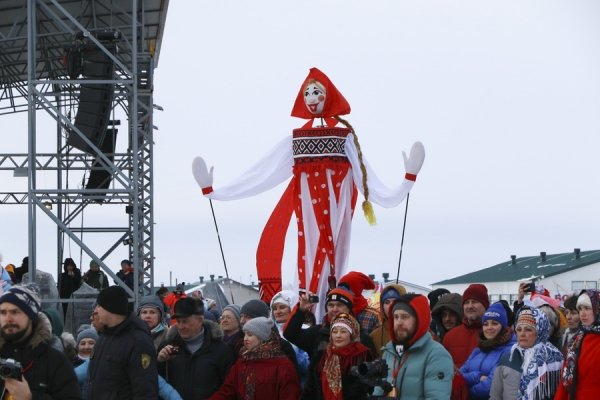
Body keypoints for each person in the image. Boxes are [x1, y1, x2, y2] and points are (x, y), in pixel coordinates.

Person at [192, 68, 425, 317]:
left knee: (333, 253)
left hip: (337, 204)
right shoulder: (297, 139)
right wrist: (216, 191)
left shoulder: (344, 137)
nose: (312, 98)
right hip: (307, 207)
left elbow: (366, 176)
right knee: (308, 254)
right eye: (307, 93)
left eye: (317, 92)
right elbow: (263, 172)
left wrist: (405, 183)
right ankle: (311, 309)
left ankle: (328, 307)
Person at [284, 288, 376, 396]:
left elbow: (371, 376)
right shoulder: (318, 334)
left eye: (339, 305)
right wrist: (301, 311)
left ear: (349, 309)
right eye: (331, 305)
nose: (334, 309)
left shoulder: (363, 339)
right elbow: (290, 334)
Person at [0, 285, 81, 399]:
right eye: (3, 312)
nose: (8, 318)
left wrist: (31, 397)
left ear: (31, 316)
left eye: (15, 312)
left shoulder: (55, 361)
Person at [375, 293, 454, 398]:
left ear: (419, 320)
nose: (399, 322)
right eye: (396, 317)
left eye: (405, 317)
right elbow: (378, 391)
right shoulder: (389, 351)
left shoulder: (436, 355)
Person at [87, 285, 158, 399]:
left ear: (110, 308)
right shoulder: (104, 337)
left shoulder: (138, 341)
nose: (96, 310)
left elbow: (145, 390)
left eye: (99, 305)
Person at [157, 297, 233, 399]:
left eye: (185, 321)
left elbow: (229, 388)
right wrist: (159, 362)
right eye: (178, 321)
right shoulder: (166, 347)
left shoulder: (221, 350)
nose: (180, 326)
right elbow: (155, 383)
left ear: (200, 320)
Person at [208, 316, 301, 400]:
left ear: (262, 337)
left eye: (250, 334)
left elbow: (290, 395)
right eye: (245, 334)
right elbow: (228, 390)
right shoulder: (242, 361)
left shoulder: (283, 365)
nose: (245, 338)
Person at [490, 307, 563, 400]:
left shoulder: (554, 359)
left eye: (528, 329)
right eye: (519, 329)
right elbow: (495, 395)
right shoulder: (508, 358)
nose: (522, 334)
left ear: (540, 331)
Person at [303, 313, 372, 399]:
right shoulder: (322, 356)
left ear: (352, 334)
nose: (338, 335)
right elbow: (310, 387)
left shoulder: (361, 355)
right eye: (335, 332)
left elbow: (364, 387)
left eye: (343, 331)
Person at [459, 302, 515, 400]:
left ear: (503, 326)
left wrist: (465, 392)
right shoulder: (477, 351)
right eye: (485, 324)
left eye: (494, 323)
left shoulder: (510, 351)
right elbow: (459, 376)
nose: (489, 327)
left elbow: (491, 386)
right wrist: (477, 377)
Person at [554, 289, 600, 399]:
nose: (582, 313)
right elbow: (564, 382)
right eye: (580, 309)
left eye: (588, 308)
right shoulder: (576, 340)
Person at [443, 283, 489, 368]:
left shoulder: (493, 334)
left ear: (485, 305)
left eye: (474, 302)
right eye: (466, 302)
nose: (470, 306)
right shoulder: (450, 336)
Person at [270, 290, 310, 384]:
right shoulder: (268, 332)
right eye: (275, 308)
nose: (278, 311)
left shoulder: (306, 330)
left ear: (292, 308)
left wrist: (292, 352)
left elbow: (310, 367)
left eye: (282, 307)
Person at [369, 283, 407, 356]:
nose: (391, 305)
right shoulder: (374, 336)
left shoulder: (414, 331)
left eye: (395, 301)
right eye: (387, 302)